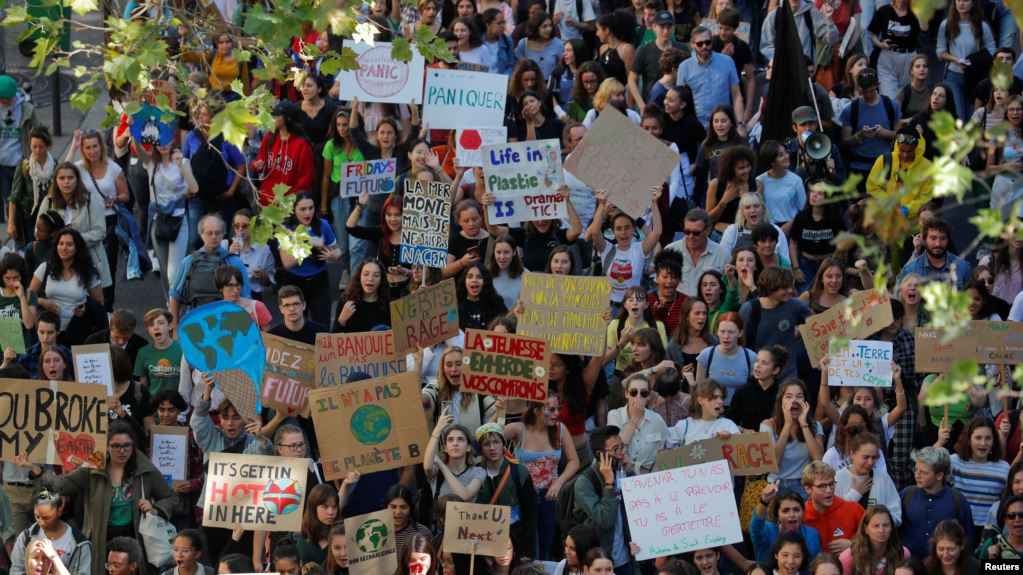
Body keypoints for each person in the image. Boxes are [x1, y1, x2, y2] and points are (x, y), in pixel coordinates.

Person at [58, 421, 177, 575]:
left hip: (135, 538)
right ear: (107, 446)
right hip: (101, 538)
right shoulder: (93, 468)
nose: (122, 451)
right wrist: (36, 472)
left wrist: (155, 509)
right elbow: (59, 487)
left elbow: (171, 497)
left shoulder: (143, 468)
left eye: (127, 445)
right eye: (116, 446)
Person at [37, 162, 111, 294]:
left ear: (77, 179)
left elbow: (100, 231)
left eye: (70, 178)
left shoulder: (90, 199)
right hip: (59, 263)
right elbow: (38, 232)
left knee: (94, 306)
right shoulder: (48, 201)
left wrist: (73, 240)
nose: (67, 182)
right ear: (56, 181)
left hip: (88, 259)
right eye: (62, 178)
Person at [168, 213, 250, 330]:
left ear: (223, 234)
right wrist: (175, 329)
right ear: (201, 234)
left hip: (228, 327)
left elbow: (246, 298)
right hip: (195, 326)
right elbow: (175, 295)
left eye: (217, 233)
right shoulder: (189, 261)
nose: (213, 236)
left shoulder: (235, 262)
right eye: (209, 233)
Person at [28, 227, 105, 346]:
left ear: (77, 248)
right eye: (61, 243)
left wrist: (86, 309)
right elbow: (28, 295)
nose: (63, 248)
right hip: (49, 332)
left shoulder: (87, 272)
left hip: (78, 331)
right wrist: (42, 301)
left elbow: (99, 303)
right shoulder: (45, 268)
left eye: (69, 244)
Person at [587, 187, 662, 307]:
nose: (623, 232)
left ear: (633, 229)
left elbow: (657, 233)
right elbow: (595, 232)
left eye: (627, 227)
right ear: (613, 231)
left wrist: (654, 202)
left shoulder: (639, 249)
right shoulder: (607, 249)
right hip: (610, 309)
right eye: (619, 229)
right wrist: (601, 204)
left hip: (633, 308)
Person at [573, 426, 633, 575]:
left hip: (627, 558)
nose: (621, 453)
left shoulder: (626, 473)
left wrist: (632, 474)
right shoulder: (585, 483)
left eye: (622, 447)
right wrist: (609, 484)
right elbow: (605, 520)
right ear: (600, 455)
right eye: (616, 449)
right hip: (601, 564)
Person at [475, 423, 539, 559]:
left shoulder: (519, 473)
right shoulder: (474, 473)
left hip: (514, 541)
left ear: (503, 444)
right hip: (483, 542)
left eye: (496, 442)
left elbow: (530, 515)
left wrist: (527, 552)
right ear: (481, 448)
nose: (492, 448)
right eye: (486, 444)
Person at [740, 266, 810, 379]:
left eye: (790, 286)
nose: (791, 291)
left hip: (788, 375)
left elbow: (815, 322)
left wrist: (796, 335)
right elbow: (740, 342)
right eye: (785, 288)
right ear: (771, 288)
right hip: (759, 376)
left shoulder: (794, 305)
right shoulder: (750, 309)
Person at [8, 481, 91, 575]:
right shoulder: (25, 538)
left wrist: (54, 556)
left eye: (46, 518)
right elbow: (16, 570)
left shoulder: (79, 544)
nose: (41, 522)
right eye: (37, 516)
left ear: (60, 510)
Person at [279, 192, 339, 321]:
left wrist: (333, 256)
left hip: (319, 280)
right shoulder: (285, 229)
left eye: (311, 208)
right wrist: (308, 244)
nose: (308, 213)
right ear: (294, 210)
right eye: (303, 209)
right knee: (296, 325)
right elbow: (287, 262)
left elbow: (338, 252)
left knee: (323, 325)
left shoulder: (323, 224)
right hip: (294, 282)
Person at [949, 416, 1010, 540]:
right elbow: (928, 468)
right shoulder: (954, 462)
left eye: (988, 438)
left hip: (989, 530)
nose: (983, 443)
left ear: (994, 440)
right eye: (978, 438)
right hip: (959, 528)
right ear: (968, 439)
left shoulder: (1004, 468)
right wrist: (940, 441)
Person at [839, 68, 902, 186]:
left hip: (885, 164)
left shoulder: (890, 105)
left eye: (872, 91)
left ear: (878, 85)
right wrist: (860, 135)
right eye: (864, 91)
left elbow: (901, 135)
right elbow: (844, 142)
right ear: (858, 88)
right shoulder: (851, 109)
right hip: (859, 166)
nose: (868, 95)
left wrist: (885, 133)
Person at [677, 26, 744, 130]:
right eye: (700, 44)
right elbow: (680, 99)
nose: (704, 46)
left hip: (722, 125)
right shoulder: (684, 67)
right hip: (695, 126)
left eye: (707, 42)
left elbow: (737, 95)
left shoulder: (727, 62)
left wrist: (740, 124)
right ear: (692, 44)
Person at [936, 0, 995, 119]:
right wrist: (956, 59)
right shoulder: (946, 24)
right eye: (958, 0)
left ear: (973, 3)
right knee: (958, 117)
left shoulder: (981, 25)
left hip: (974, 77)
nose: (961, 3)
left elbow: (992, 49)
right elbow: (940, 51)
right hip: (952, 76)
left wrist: (974, 61)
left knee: (972, 117)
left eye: (966, 0)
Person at [253, 100, 315, 205]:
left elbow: (306, 179)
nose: (274, 119)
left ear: (288, 119)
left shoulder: (301, 145)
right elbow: (259, 162)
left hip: (287, 205)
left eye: (277, 116)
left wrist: (288, 197)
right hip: (266, 201)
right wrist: (256, 166)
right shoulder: (269, 137)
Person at [835, 433, 903, 525]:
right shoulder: (837, 478)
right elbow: (835, 516)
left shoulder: (883, 478)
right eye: (865, 457)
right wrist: (855, 494)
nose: (870, 462)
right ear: (852, 454)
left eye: (874, 457)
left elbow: (896, 514)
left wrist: (878, 525)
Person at [609, 373, 669, 473]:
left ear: (648, 396)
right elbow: (617, 451)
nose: (638, 397)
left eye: (643, 393)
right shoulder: (615, 416)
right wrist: (634, 420)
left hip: (649, 478)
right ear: (626, 394)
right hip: (623, 476)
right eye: (634, 392)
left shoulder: (657, 419)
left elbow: (665, 451)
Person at [750, 482, 823, 563]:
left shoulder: (812, 534)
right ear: (777, 515)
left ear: (803, 513)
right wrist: (764, 501)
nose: (792, 515)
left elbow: (817, 566)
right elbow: (756, 528)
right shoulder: (768, 533)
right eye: (785, 511)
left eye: (796, 510)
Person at [801, 461, 865, 554]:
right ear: (808, 489)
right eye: (822, 486)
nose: (829, 490)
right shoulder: (800, 516)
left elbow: (874, 537)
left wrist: (853, 545)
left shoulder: (853, 509)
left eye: (831, 484)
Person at [665, 209, 732, 297]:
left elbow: (729, 288)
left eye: (696, 233)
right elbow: (662, 285)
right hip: (678, 309)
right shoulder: (670, 251)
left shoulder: (723, 255)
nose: (691, 236)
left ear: (707, 231)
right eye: (687, 232)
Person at [0, 74, 40, 217]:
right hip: (2, 164)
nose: (2, 101)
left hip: (22, 163)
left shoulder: (27, 110)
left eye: (4, 99)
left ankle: (19, 228)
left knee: (20, 200)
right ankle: (14, 226)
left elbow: (39, 132)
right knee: (9, 199)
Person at [8, 126, 55, 245]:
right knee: (31, 248)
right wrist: (11, 223)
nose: (37, 151)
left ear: (48, 146)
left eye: (41, 147)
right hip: (29, 217)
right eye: (34, 146)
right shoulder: (24, 167)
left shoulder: (55, 165)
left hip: (49, 217)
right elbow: (14, 198)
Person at [695, 311, 755, 402]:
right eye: (722, 331)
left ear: (740, 333)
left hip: (740, 412)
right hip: (712, 411)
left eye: (731, 332)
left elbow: (753, 393)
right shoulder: (706, 355)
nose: (726, 336)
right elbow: (698, 392)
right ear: (717, 332)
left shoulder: (751, 357)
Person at [627, 10, 682, 110]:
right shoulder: (643, 50)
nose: (665, 31)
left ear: (673, 28)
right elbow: (631, 80)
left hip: (677, 105)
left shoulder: (681, 49)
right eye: (662, 27)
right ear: (654, 28)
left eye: (669, 27)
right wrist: (641, 105)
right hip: (652, 104)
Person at [897, 217, 972, 289]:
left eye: (943, 238)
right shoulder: (911, 269)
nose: (938, 244)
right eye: (933, 238)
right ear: (924, 240)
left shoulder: (964, 267)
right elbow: (898, 296)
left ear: (948, 240)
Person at [423, 418, 486, 501]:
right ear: (445, 448)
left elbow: (464, 496)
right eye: (450, 440)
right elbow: (427, 467)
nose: (455, 443)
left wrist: (441, 465)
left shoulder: (478, 472)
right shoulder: (437, 471)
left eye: (460, 439)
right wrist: (437, 431)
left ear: (468, 447)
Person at [868, 0, 920, 100]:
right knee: (890, 100)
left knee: (905, 99)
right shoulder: (884, 10)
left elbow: (925, 28)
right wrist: (880, 44)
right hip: (887, 58)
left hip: (909, 59)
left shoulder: (915, 12)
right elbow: (873, 35)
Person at [727, 345, 787, 431]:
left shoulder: (783, 392)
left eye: (764, 363)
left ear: (775, 370)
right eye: (757, 361)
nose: (758, 366)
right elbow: (731, 420)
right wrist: (743, 430)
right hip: (749, 441)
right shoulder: (743, 390)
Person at [667, 378, 740, 446]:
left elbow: (740, 449)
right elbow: (666, 449)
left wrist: (731, 439)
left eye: (721, 398)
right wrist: (686, 450)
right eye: (714, 397)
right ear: (700, 400)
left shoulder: (728, 425)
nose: (720, 401)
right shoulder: (685, 425)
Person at [838, 505, 908, 575]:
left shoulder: (902, 553)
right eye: (876, 526)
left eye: (886, 525)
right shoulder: (848, 558)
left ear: (891, 528)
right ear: (866, 529)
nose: (881, 530)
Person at [332, 259, 390, 333]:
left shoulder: (389, 304)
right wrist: (342, 320)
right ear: (359, 277)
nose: (370, 279)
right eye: (366, 274)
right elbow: (333, 337)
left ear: (381, 280)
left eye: (376, 275)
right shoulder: (346, 302)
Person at [515, 13, 565, 79]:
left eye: (550, 25)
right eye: (545, 26)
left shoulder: (559, 44)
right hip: (529, 84)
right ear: (535, 27)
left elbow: (562, 69)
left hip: (549, 86)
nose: (549, 29)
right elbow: (518, 67)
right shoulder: (523, 43)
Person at [980, 494, 1023, 559]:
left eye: (1022, 515)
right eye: (1011, 515)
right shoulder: (991, 543)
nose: (1017, 519)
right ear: (1005, 520)